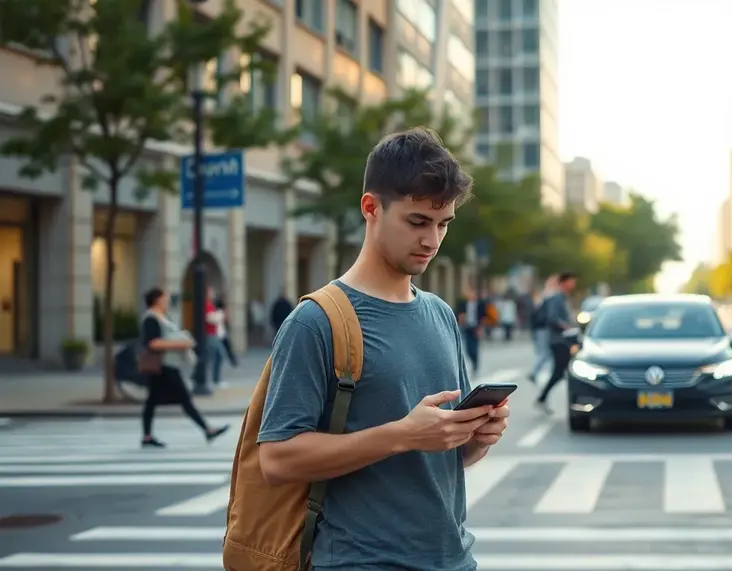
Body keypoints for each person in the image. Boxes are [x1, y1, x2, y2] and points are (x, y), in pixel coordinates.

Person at [256, 127, 510, 571]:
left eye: (443, 224)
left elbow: (444, 459)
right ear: (371, 208)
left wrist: (475, 436)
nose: (432, 240)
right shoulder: (317, 320)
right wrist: (401, 435)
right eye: (417, 222)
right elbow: (276, 460)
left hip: (453, 559)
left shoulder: (440, 315)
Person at [138, 287, 230, 448]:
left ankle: (147, 436)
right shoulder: (150, 319)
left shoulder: (162, 317)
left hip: (167, 365)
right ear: (157, 300)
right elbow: (153, 343)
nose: (167, 301)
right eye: (164, 298)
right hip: (164, 366)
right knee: (184, 399)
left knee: (152, 401)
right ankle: (207, 429)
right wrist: (181, 343)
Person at [535, 271, 577, 414]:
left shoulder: (563, 298)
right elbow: (552, 318)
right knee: (560, 372)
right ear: (564, 282)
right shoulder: (557, 298)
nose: (574, 284)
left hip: (564, 340)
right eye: (571, 281)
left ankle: (542, 398)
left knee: (561, 372)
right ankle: (542, 398)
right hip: (559, 340)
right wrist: (567, 327)